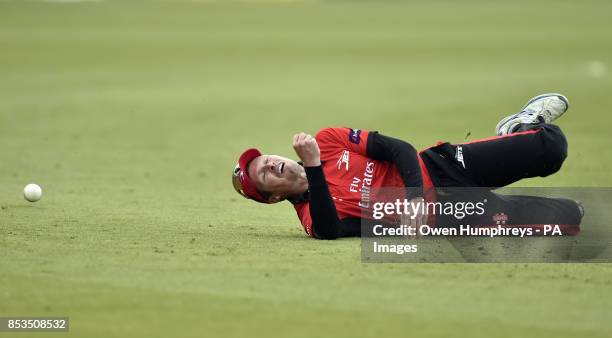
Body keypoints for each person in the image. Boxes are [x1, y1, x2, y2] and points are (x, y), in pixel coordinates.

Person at [232, 93, 583, 239]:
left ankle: (518, 126)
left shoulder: (328, 141)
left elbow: (398, 148)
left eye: (267, 160)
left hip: (443, 168)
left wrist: (415, 194)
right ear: (272, 198)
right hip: (449, 216)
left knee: (552, 148)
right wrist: (312, 169)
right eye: (263, 173)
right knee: (569, 218)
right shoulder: (312, 216)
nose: (272, 165)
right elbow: (328, 231)